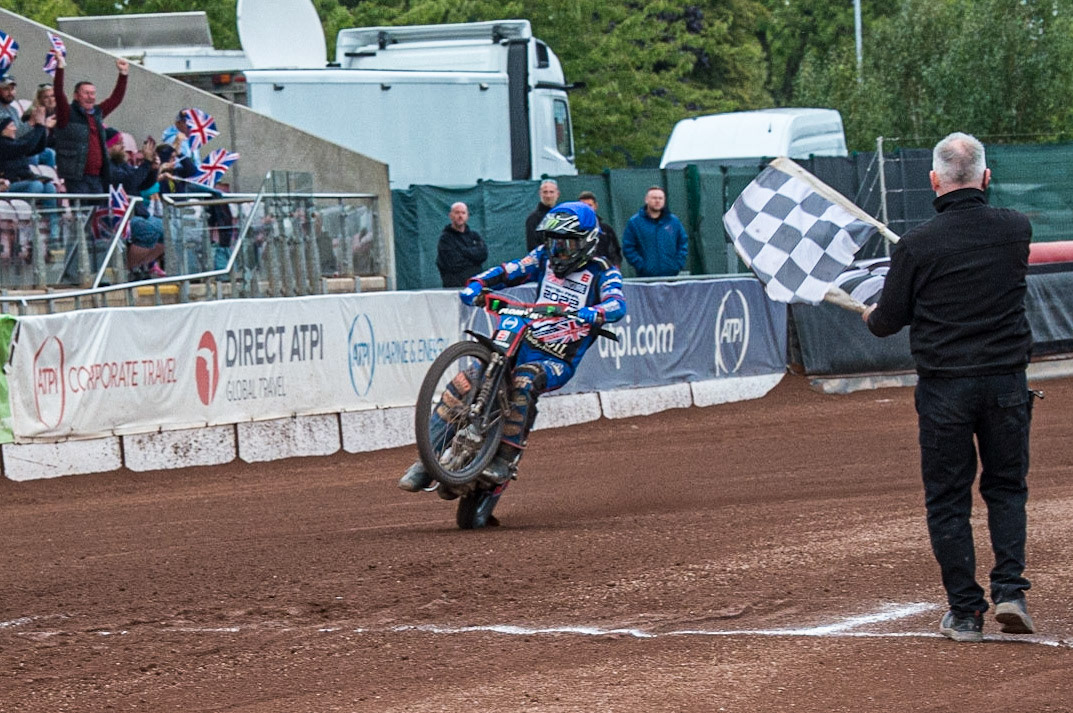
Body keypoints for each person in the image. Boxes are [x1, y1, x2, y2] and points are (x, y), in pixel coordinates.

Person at [862, 132, 1036, 643]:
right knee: (1006, 490)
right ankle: (1010, 590)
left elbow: (887, 320)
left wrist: (875, 312)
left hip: (945, 392)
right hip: (1006, 383)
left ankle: (964, 613)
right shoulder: (1015, 229)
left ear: (934, 181)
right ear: (985, 177)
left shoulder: (917, 244)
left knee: (947, 499)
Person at [399, 201, 627, 494]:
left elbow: (617, 303)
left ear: (586, 242)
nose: (558, 251)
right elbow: (511, 270)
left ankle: (505, 458)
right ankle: (425, 461)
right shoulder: (544, 258)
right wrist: (477, 284)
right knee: (466, 380)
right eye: (553, 242)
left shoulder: (603, 271)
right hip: (525, 337)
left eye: (566, 244)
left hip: (558, 356)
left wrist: (594, 313)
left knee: (525, 380)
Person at [52, 53, 129, 195]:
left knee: (96, 215)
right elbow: (58, 93)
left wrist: (123, 75)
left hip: (97, 177)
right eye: (86, 93)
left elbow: (115, 99)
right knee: (82, 215)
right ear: (76, 96)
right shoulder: (67, 113)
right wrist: (60, 68)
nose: (91, 97)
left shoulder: (97, 113)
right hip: (76, 177)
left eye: (93, 93)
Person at [621, 185, 688, 277]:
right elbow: (628, 247)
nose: (657, 201)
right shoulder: (634, 222)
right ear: (646, 200)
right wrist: (641, 266)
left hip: (671, 277)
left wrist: (677, 264)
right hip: (646, 279)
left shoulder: (674, 222)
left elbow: (682, 243)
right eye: (654, 198)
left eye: (660, 198)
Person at [435, 201, 487, 287]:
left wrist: (462, 251)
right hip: (454, 288)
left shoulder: (475, 236)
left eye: (463, 213)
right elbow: (452, 263)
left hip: (475, 287)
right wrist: (474, 261)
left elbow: (483, 254)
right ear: (451, 216)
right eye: (457, 212)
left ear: (467, 216)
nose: (460, 216)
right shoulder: (445, 239)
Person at [577, 190, 622, 266]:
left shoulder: (606, 230)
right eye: (583, 206)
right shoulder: (573, 230)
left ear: (595, 206)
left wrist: (613, 267)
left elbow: (615, 252)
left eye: (589, 205)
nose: (586, 209)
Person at [524, 178, 560, 252]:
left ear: (558, 194)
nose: (548, 196)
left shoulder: (562, 215)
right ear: (540, 193)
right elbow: (532, 248)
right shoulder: (533, 219)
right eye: (545, 192)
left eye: (551, 192)